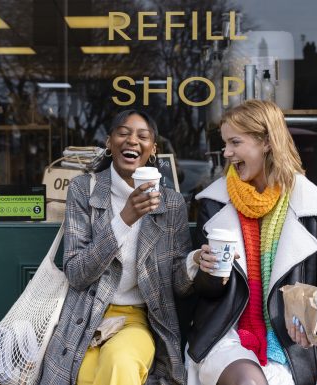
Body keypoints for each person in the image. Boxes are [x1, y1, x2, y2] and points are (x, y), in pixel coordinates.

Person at [184, 100, 317, 385]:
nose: (226, 153)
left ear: (265, 142)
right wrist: (207, 271)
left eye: (235, 142)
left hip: (289, 343)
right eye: (225, 143)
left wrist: (316, 316)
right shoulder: (214, 204)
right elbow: (207, 293)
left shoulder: (313, 207)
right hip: (224, 334)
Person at [38, 109, 194, 385]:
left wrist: (196, 265)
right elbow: (76, 273)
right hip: (84, 316)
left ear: (152, 149)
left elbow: (178, 284)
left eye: (142, 136)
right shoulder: (83, 190)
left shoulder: (171, 204)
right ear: (109, 143)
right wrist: (124, 220)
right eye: (123, 133)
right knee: (82, 376)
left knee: (120, 364)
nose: (132, 140)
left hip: (137, 319)